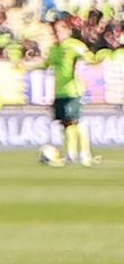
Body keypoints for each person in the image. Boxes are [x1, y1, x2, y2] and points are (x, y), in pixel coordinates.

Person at [45, 22, 94, 169]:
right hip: (59, 92)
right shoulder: (54, 49)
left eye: (59, 31)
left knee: (74, 122)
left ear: (67, 31)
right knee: (65, 124)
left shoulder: (73, 45)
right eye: (54, 31)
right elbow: (46, 64)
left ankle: (85, 153)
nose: (56, 34)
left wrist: (92, 60)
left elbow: (87, 56)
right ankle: (71, 154)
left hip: (73, 90)